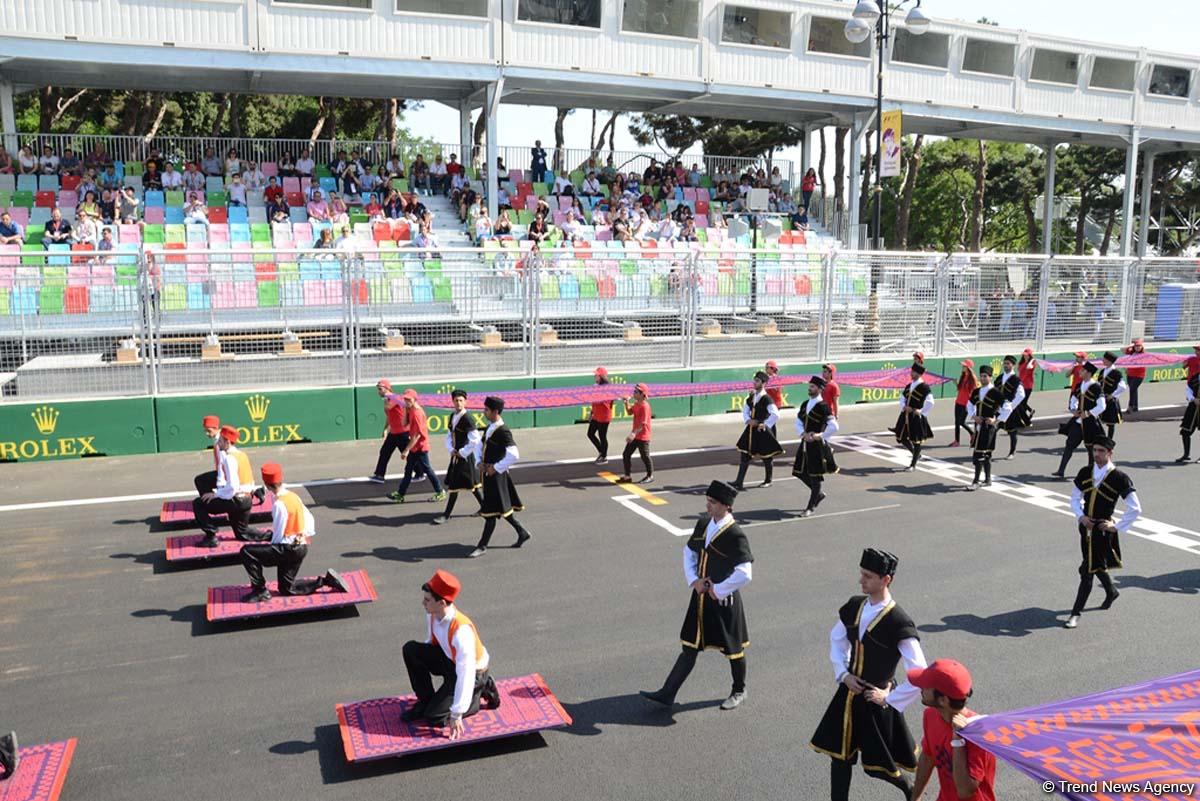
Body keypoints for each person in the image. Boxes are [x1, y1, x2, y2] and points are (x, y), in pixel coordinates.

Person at [811, 548, 927, 801]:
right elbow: (837, 639)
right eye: (861, 574)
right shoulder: (855, 606)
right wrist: (843, 674)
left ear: (886, 580)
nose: (861, 580)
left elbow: (920, 673)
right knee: (839, 756)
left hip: (874, 700)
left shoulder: (898, 621)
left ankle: (909, 789)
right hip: (848, 693)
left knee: (879, 764)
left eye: (868, 576)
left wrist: (890, 696)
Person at [641, 480, 752, 711]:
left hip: (724, 600)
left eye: (712, 502)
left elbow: (745, 573)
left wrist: (718, 589)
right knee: (690, 646)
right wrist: (694, 580)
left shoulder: (735, 534)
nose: (708, 505)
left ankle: (739, 690)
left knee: (733, 649)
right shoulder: (703, 524)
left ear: (726, 506)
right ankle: (668, 692)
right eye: (707, 501)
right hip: (701, 597)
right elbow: (689, 552)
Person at [401, 570, 501, 736]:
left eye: (427, 600)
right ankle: (425, 701)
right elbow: (431, 643)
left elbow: (466, 673)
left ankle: (479, 693)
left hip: (473, 673)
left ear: (442, 603)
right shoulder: (433, 613)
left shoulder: (461, 632)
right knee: (411, 650)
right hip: (449, 661)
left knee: (435, 717)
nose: (422, 603)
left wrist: (457, 714)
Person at [239, 462, 349, 603]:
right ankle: (325, 581)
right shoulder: (293, 496)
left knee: (246, 552)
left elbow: (278, 534)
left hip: (287, 548)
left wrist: (269, 550)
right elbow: (309, 518)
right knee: (286, 588)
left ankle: (260, 590)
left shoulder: (279, 504)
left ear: (266, 484)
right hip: (301, 546)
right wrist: (303, 535)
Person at [1064, 437, 1141, 629]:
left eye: (1101, 451)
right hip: (1085, 528)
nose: (1096, 454)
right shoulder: (1085, 472)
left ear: (1110, 453)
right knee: (1094, 564)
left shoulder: (1120, 477)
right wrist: (1081, 517)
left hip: (1102, 531)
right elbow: (1075, 498)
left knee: (1087, 570)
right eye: (1094, 450)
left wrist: (1116, 527)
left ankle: (1075, 613)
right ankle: (1111, 590)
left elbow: (1135, 508)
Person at [909, 660, 997, 801]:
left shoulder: (979, 734)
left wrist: (958, 742)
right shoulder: (930, 715)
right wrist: (915, 798)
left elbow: (965, 791)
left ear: (943, 700)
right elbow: (927, 758)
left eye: (926, 686)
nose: (921, 688)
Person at [470, 396, 532, 558]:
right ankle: (522, 532)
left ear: (495, 412)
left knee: (490, 513)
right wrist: (479, 463)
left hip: (496, 477)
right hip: (488, 474)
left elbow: (514, 454)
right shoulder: (490, 427)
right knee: (501, 509)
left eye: (486, 410)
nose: (484, 412)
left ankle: (482, 546)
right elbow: (480, 446)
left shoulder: (503, 430)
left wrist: (495, 468)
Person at [194, 426, 263, 548]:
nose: (218, 443)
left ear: (227, 441)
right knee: (242, 533)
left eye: (220, 440)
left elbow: (233, 487)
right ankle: (270, 535)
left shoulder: (229, 459)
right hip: (247, 501)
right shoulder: (241, 454)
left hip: (236, 500)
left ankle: (211, 536)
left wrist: (216, 494)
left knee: (198, 504)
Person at [433, 389, 484, 525]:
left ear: (465, 402)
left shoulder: (468, 418)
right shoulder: (452, 416)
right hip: (456, 456)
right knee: (472, 485)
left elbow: (475, 439)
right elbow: (449, 435)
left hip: (465, 457)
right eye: (456, 400)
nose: (458, 403)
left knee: (455, 486)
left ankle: (447, 515)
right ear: (453, 402)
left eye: (461, 400)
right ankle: (485, 507)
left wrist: (461, 452)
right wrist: (451, 449)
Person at [388, 389, 446, 504]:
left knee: (427, 470)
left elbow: (416, 435)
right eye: (405, 399)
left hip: (420, 448)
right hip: (414, 447)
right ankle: (400, 494)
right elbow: (404, 424)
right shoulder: (410, 410)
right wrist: (405, 409)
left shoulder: (417, 414)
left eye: (409, 399)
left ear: (415, 399)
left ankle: (440, 492)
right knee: (408, 471)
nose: (406, 401)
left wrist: (406, 450)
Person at [793, 376, 839, 517]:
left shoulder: (823, 406)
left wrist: (819, 436)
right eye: (810, 386)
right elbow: (798, 421)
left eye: (813, 387)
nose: (810, 388)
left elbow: (834, 426)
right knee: (799, 472)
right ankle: (818, 494)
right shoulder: (805, 403)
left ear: (820, 389)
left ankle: (810, 507)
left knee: (815, 476)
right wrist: (803, 434)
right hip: (805, 442)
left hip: (817, 446)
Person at [1053, 362, 1106, 479]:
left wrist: (1088, 413)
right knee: (1069, 445)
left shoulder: (1096, 387)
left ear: (1088, 373)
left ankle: (1092, 474)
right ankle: (1061, 470)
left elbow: (1102, 406)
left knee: (1091, 449)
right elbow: (1073, 399)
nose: (1080, 372)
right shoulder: (1079, 385)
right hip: (1078, 422)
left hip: (1090, 423)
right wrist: (1073, 410)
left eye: (1082, 370)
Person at [732, 371, 783, 490]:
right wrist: (748, 420)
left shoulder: (766, 399)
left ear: (764, 383)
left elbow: (775, 414)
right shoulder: (752, 396)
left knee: (766, 455)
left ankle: (768, 480)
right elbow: (745, 410)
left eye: (757, 381)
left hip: (762, 430)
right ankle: (739, 482)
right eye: (754, 380)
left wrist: (764, 424)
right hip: (751, 429)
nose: (754, 382)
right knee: (745, 453)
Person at [965, 365, 1001, 490]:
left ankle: (976, 481)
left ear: (990, 377)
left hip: (989, 427)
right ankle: (987, 479)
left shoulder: (996, 392)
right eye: (981, 376)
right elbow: (969, 405)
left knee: (982, 454)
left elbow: (1006, 407)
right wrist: (974, 417)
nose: (983, 378)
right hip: (979, 426)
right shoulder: (976, 391)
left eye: (985, 376)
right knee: (982, 454)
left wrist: (996, 419)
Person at [894, 363, 935, 471]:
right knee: (901, 437)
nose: (911, 373)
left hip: (916, 417)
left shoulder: (924, 387)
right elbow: (903, 397)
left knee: (916, 441)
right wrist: (904, 406)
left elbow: (930, 402)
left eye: (913, 372)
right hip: (905, 415)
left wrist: (920, 411)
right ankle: (916, 454)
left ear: (918, 373)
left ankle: (913, 464)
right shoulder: (909, 385)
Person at [369, 379, 408, 483]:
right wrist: (386, 429)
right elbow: (389, 416)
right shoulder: (388, 399)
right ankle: (379, 475)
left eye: (380, 389)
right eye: (378, 389)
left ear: (387, 389)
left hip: (402, 432)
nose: (379, 392)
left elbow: (388, 407)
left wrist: (387, 398)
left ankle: (420, 472)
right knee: (384, 452)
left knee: (409, 455)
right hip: (394, 432)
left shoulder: (393, 398)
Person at [995, 355, 1031, 460]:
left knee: (1012, 432)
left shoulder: (1015, 380)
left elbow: (1021, 395)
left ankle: (1012, 452)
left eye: (1008, 363)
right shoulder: (999, 378)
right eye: (1005, 363)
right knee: (993, 429)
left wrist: (1011, 406)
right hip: (999, 409)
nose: (1006, 365)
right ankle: (988, 450)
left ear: (1013, 365)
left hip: (1011, 409)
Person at [618, 384, 653, 484]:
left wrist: (633, 433)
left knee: (645, 456)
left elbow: (643, 424)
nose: (634, 393)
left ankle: (650, 475)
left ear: (642, 395)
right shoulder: (637, 404)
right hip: (636, 435)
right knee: (626, 454)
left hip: (643, 436)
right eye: (634, 391)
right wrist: (626, 402)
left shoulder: (645, 406)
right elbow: (629, 412)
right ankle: (627, 476)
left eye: (636, 392)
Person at [1098, 351, 1127, 440]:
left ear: (1110, 361)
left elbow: (1123, 387)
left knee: (1111, 423)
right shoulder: (1102, 371)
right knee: (1099, 420)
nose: (1103, 360)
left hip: (1110, 400)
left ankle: (1109, 441)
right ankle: (1102, 439)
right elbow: (1099, 384)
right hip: (1101, 398)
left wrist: (1113, 395)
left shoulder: (1116, 373)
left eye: (1104, 359)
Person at [588, 366, 614, 464]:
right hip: (596, 415)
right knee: (590, 433)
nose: (595, 376)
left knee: (602, 436)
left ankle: (604, 456)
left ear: (601, 376)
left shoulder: (607, 388)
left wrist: (595, 394)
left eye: (596, 375)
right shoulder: (596, 386)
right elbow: (594, 402)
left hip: (604, 416)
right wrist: (591, 413)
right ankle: (601, 452)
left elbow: (602, 402)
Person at [1178, 355, 1200, 463]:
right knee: (1185, 432)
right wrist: (1193, 399)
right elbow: (1188, 389)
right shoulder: (1195, 378)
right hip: (1193, 407)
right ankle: (1186, 454)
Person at [952, 360, 979, 447]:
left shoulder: (973, 378)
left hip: (966, 404)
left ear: (968, 368)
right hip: (958, 401)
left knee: (961, 422)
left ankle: (972, 433)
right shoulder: (963, 376)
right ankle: (957, 441)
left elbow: (974, 392)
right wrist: (956, 383)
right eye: (963, 366)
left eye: (964, 366)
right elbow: (960, 389)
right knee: (956, 422)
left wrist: (971, 405)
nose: (962, 367)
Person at [1123, 338, 1146, 412]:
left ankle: (1130, 406)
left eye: (1139, 346)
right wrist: (1130, 346)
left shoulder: (1144, 354)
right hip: (1130, 374)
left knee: (1132, 389)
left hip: (1139, 375)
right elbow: (1122, 350)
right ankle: (1135, 406)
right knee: (1133, 389)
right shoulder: (1131, 352)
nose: (1138, 347)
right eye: (1136, 346)